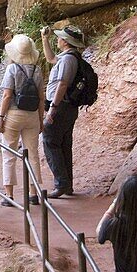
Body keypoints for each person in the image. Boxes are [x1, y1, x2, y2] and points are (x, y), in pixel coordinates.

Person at [0, 34, 44, 206]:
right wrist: (41, 120)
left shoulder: (12, 70)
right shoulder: (37, 70)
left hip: (14, 115)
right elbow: (41, 98)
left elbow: (7, 95)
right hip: (32, 116)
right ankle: (33, 194)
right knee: (33, 154)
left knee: (8, 153)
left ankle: (9, 195)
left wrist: (1, 118)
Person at [40, 23, 85, 199]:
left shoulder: (68, 60)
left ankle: (61, 183)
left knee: (50, 141)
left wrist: (52, 108)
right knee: (64, 145)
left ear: (65, 42)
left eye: (59, 38)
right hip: (67, 107)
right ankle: (67, 185)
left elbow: (62, 84)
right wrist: (45, 39)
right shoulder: (69, 56)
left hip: (61, 107)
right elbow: (51, 59)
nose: (57, 39)